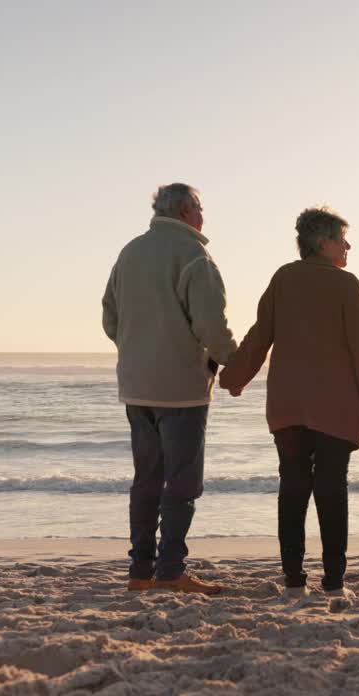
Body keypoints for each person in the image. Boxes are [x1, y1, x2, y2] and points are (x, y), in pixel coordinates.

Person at [218, 207, 359, 599]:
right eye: (343, 239)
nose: (348, 246)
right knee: (331, 490)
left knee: (293, 487)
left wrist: (235, 376)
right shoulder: (346, 284)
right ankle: (334, 584)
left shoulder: (283, 279)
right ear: (324, 243)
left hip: (288, 407)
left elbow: (261, 335)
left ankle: (294, 582)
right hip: (335, 407)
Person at [102, 183, 236, 595]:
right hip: (181, 389)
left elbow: (110, 318)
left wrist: (136, 349)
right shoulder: (195, 256)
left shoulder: (130, 252)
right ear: (184, 210)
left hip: (137, 386)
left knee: (146, 480)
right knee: (181, 483)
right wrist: (233, 360)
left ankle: (139, 571)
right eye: (199, 207)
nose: (203, 214)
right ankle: (171, 570)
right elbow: (210, 326)